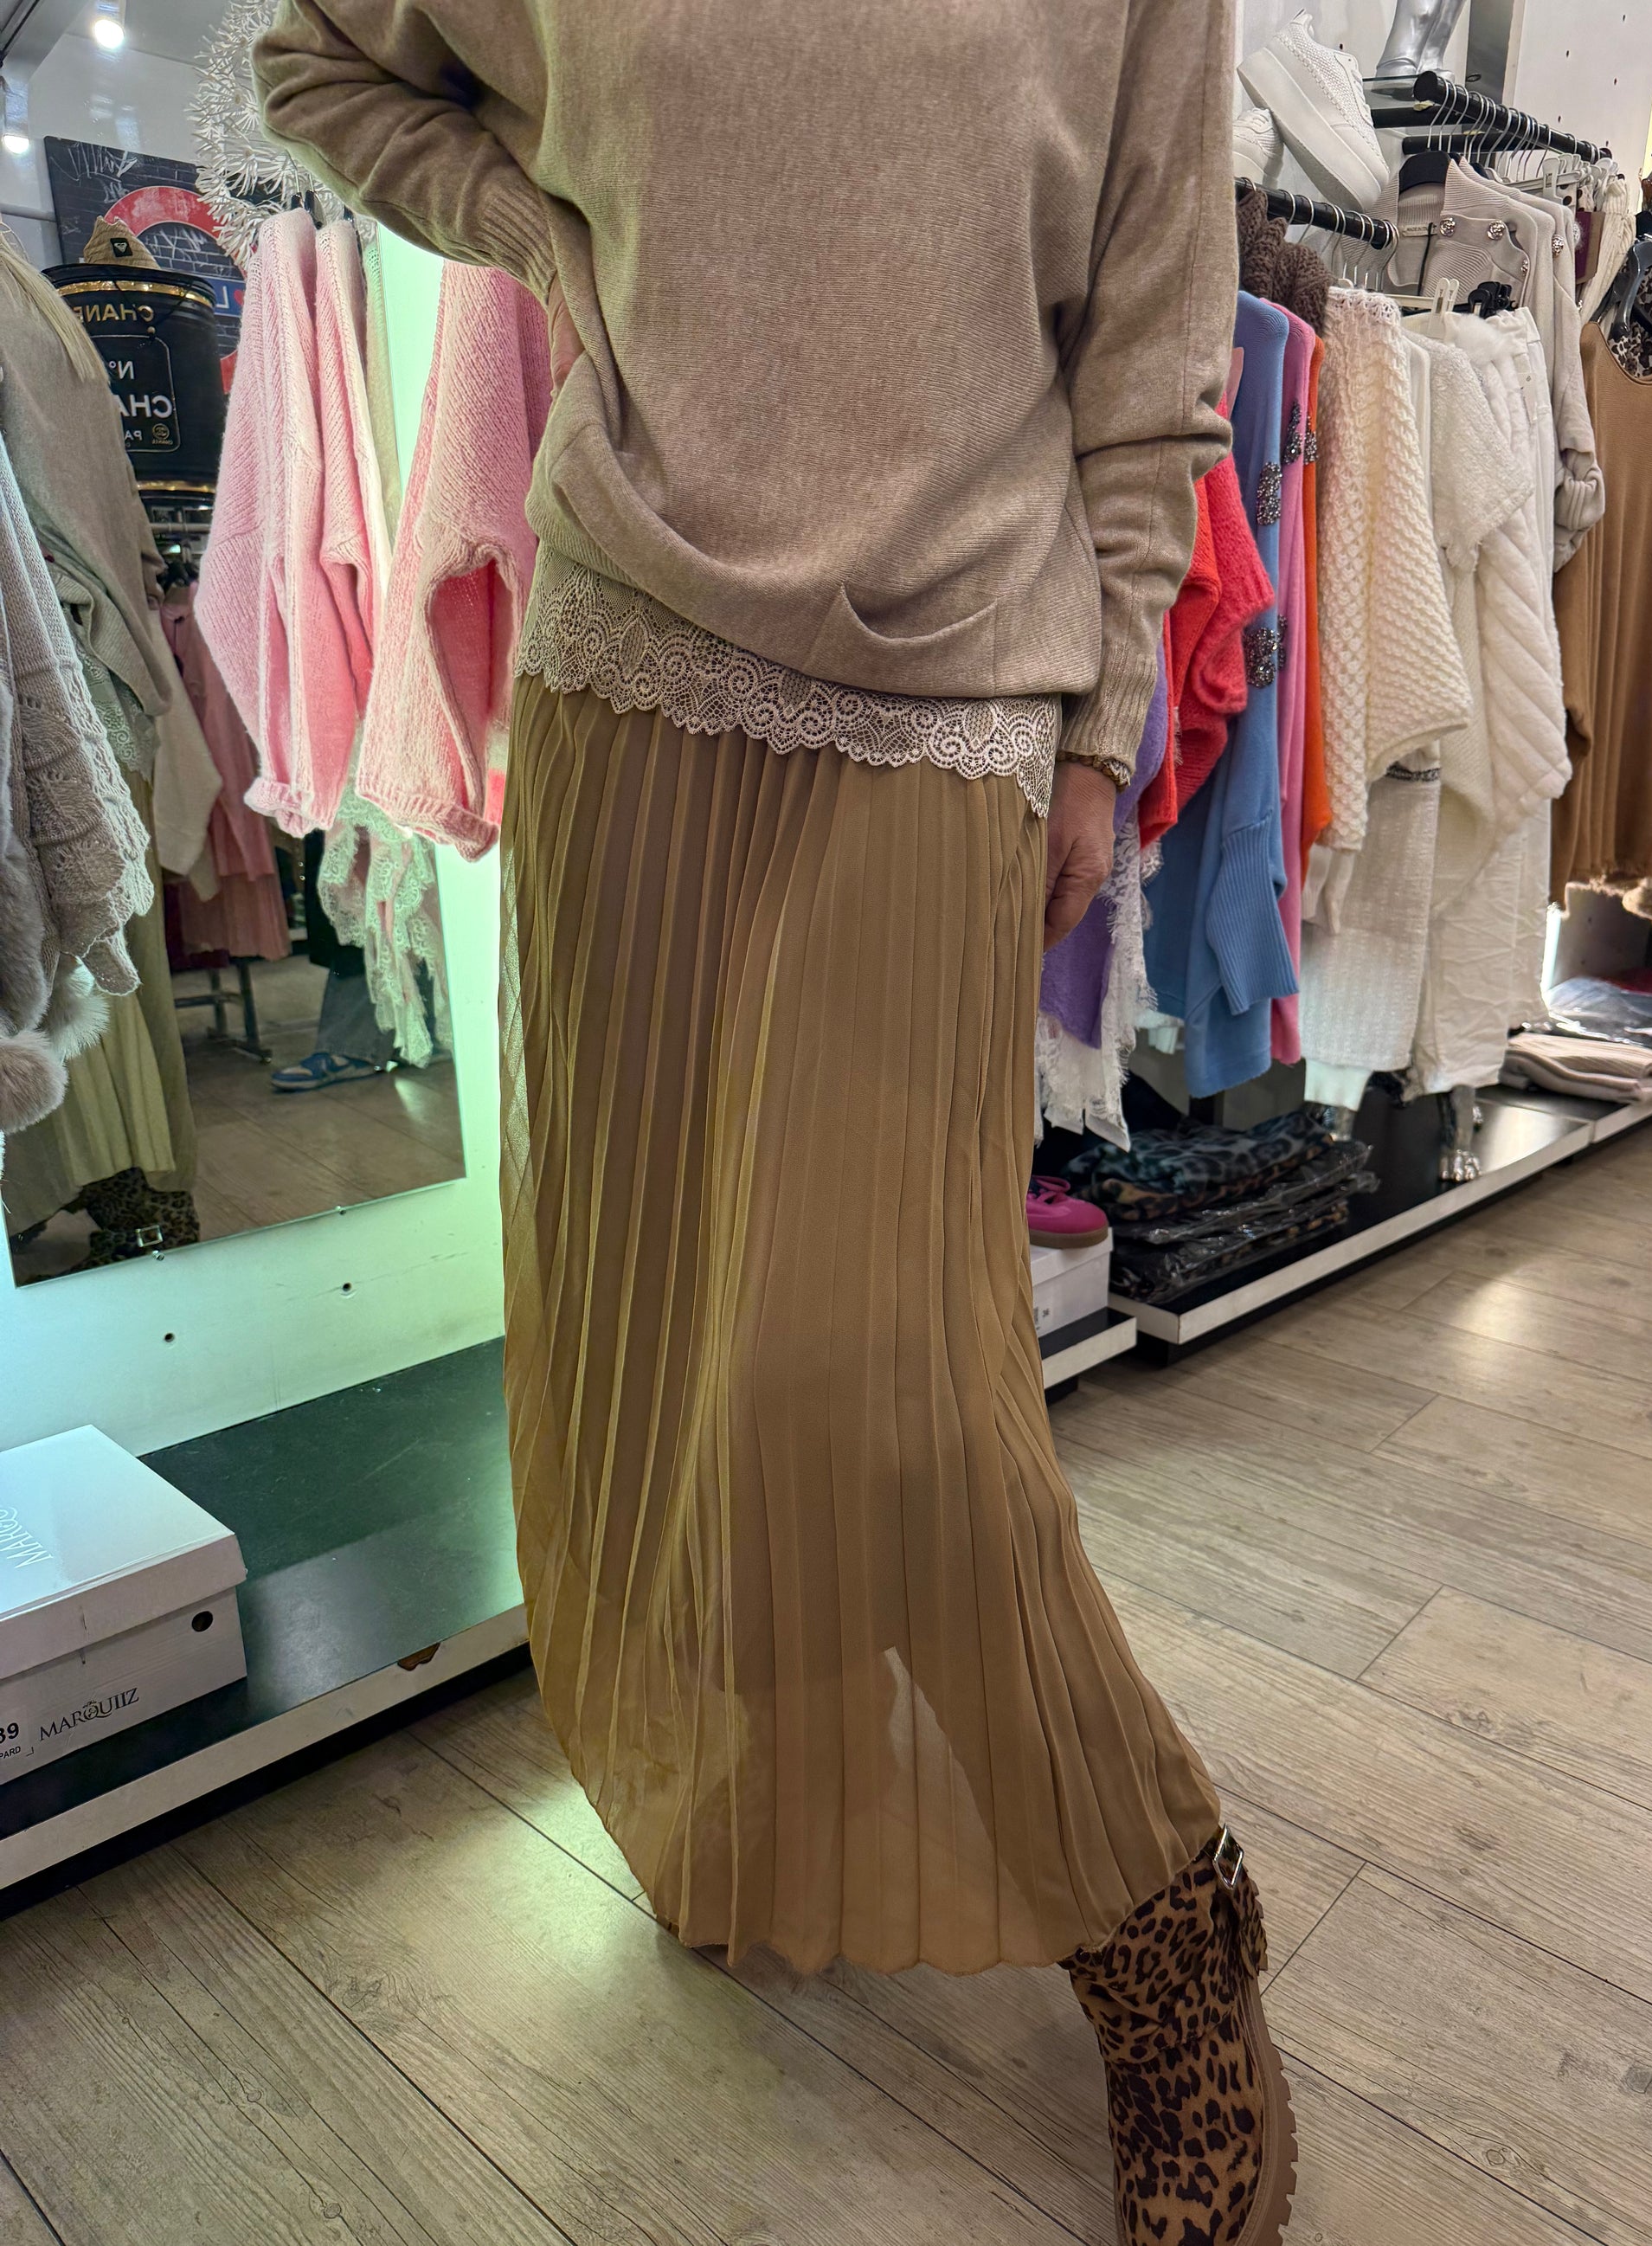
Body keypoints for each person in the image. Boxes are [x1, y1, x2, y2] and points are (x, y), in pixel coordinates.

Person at [254, 6, 1295, 2238]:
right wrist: (540, 222)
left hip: (961, 674)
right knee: (648, 1323)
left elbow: (1151, 353)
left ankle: (1160, 1911)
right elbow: (321, 66)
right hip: (630, 658)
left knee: (880, 1372)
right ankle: (753, 1788)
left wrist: (1103, 727)